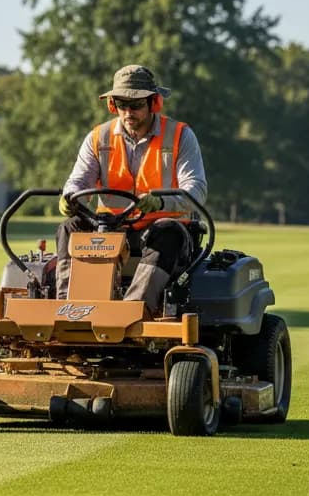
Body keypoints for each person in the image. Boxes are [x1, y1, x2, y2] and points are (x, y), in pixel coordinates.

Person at [56, 64, 207, 313]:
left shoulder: (180, 135)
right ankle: (66, 308)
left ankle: (132, 311)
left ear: (154, 103)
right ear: (112, 105)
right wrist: (69, 195)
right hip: (111, 227)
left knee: (167, 231)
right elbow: (78, 180)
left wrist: (161, 202)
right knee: (69, 227)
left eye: (136, 105)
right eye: (121, 104)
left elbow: (196, 189)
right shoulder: (98, 138)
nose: (128, 112)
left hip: (166, 230)